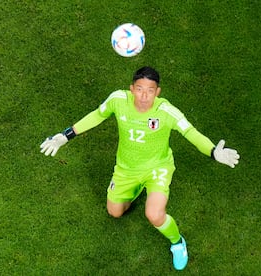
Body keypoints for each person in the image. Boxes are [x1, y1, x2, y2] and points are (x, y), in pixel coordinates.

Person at [39, 66, 240, 270]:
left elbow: (191, 132)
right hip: (126, 170)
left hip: (157, 168)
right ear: (132, 88)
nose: (144, 96)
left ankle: (177, 243)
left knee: (154, 215)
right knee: (115, 212)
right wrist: (65, 136)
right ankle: (135, 191)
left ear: (157, 92)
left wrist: (213, 151)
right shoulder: (118, 100)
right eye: (140, 89)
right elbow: (96, 116)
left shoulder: (166, 111)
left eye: (150, 90)